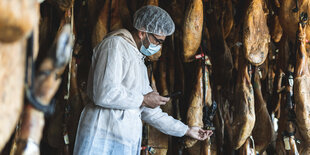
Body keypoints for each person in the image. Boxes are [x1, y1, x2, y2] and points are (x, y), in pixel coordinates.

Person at [73, 5, 213, 155]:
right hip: (101, 136)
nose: (159, 47)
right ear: (142, 33)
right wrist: (143, 99)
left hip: (123, 142)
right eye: (158, 41)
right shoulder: (114, 45)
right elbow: (104, 93)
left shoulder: (138, 59)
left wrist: (186, 130)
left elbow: (150, 112)